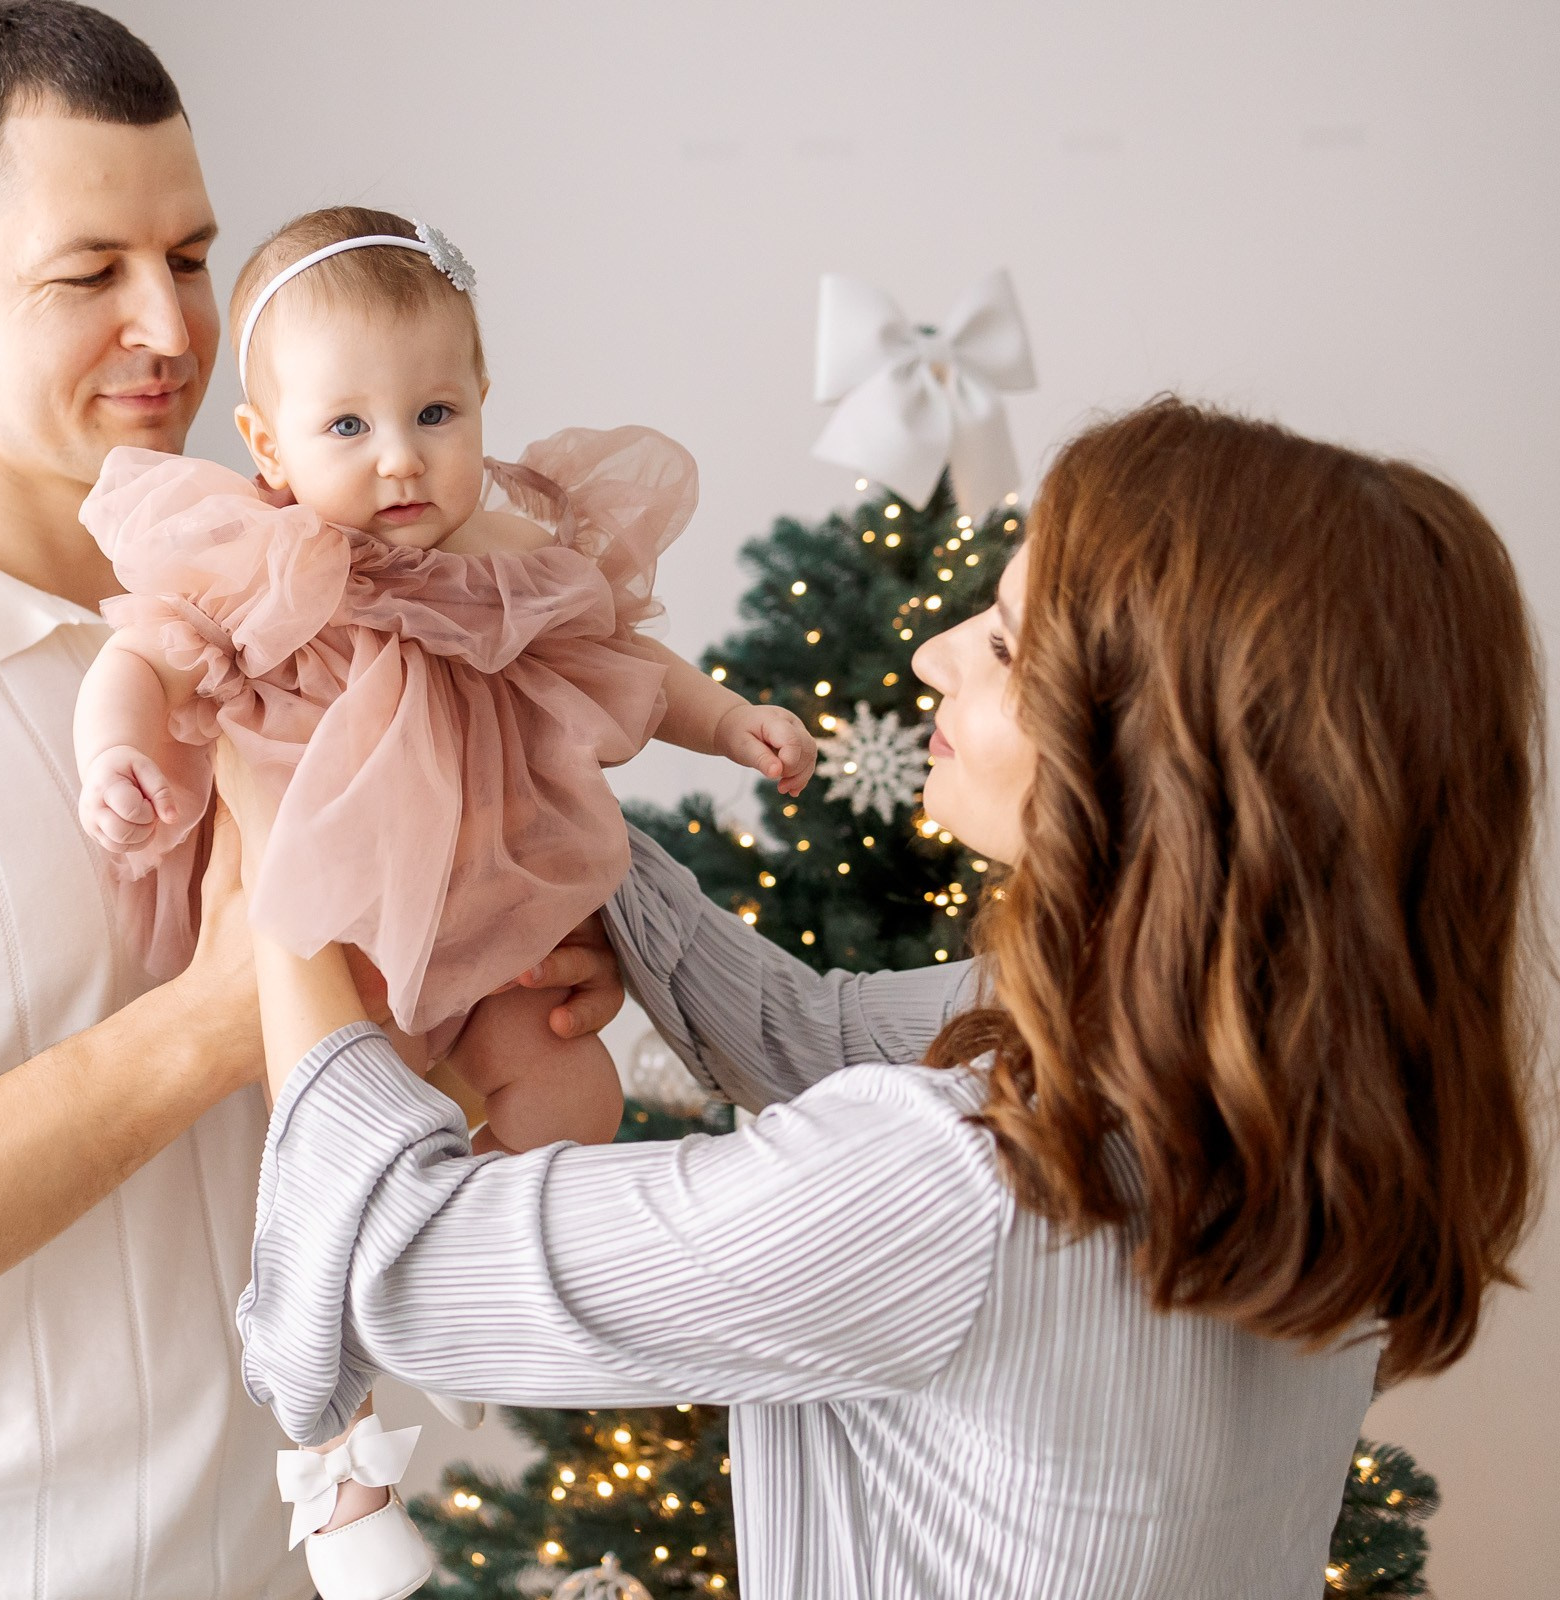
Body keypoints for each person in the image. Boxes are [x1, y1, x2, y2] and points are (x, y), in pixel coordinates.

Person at [0, 7, 616, 1598]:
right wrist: (226, 1013)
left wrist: (517, 953)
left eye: (194, 256)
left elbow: (377, 1090)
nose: (173, 326)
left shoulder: (334, 616)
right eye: (89, 275)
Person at [226, 397, 1544, 1600]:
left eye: (1008, 641)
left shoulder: (961, 1187)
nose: (930, 654)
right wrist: (572, 853)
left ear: (1162, 762)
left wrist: (290, 860)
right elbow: (819, 1033)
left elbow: (405, 1265)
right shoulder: (1285, 1084)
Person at [69, 205, 816, 1596]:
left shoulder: (520, 555)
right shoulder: (264, 561)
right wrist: (111, 749)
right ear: (266, 442)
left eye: (434, 410)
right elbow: (146, 660)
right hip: (345, 942)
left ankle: (505, 1287)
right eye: (345, 427)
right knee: (331, 1179)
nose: (401, 457)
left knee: (569, 1092)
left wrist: (734, 725)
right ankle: (337, 1466)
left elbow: (633, 669)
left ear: (483, 405)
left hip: (507, 936)